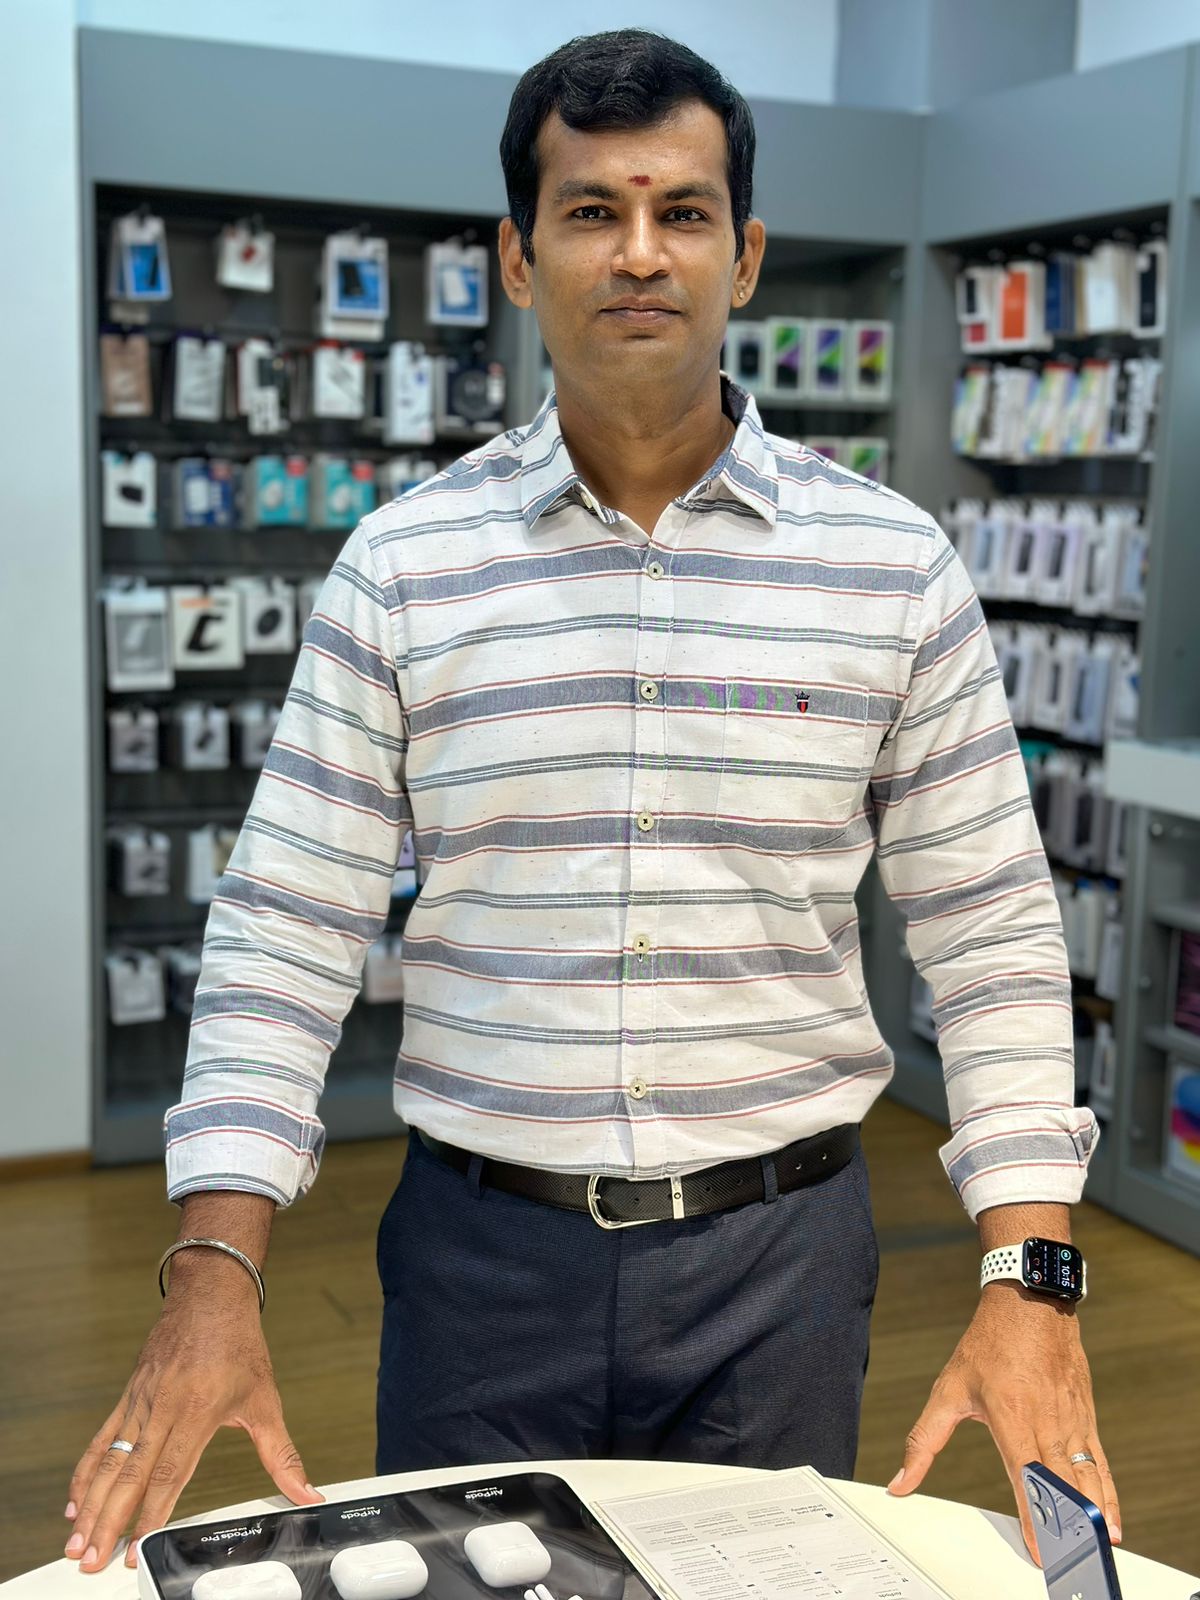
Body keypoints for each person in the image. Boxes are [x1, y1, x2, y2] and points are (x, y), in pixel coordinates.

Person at [64, 27, 1119, 1578]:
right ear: (517, 256)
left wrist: (1031, 1281)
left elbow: (995, 937)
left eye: (683, 211)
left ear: (744, 256)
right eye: (590, 211)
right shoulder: (404, 568)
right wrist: (212, 1271)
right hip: (481, 1270)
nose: (638, 252)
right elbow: (285, 931)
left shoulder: (893, 568)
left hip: (780, 1272)